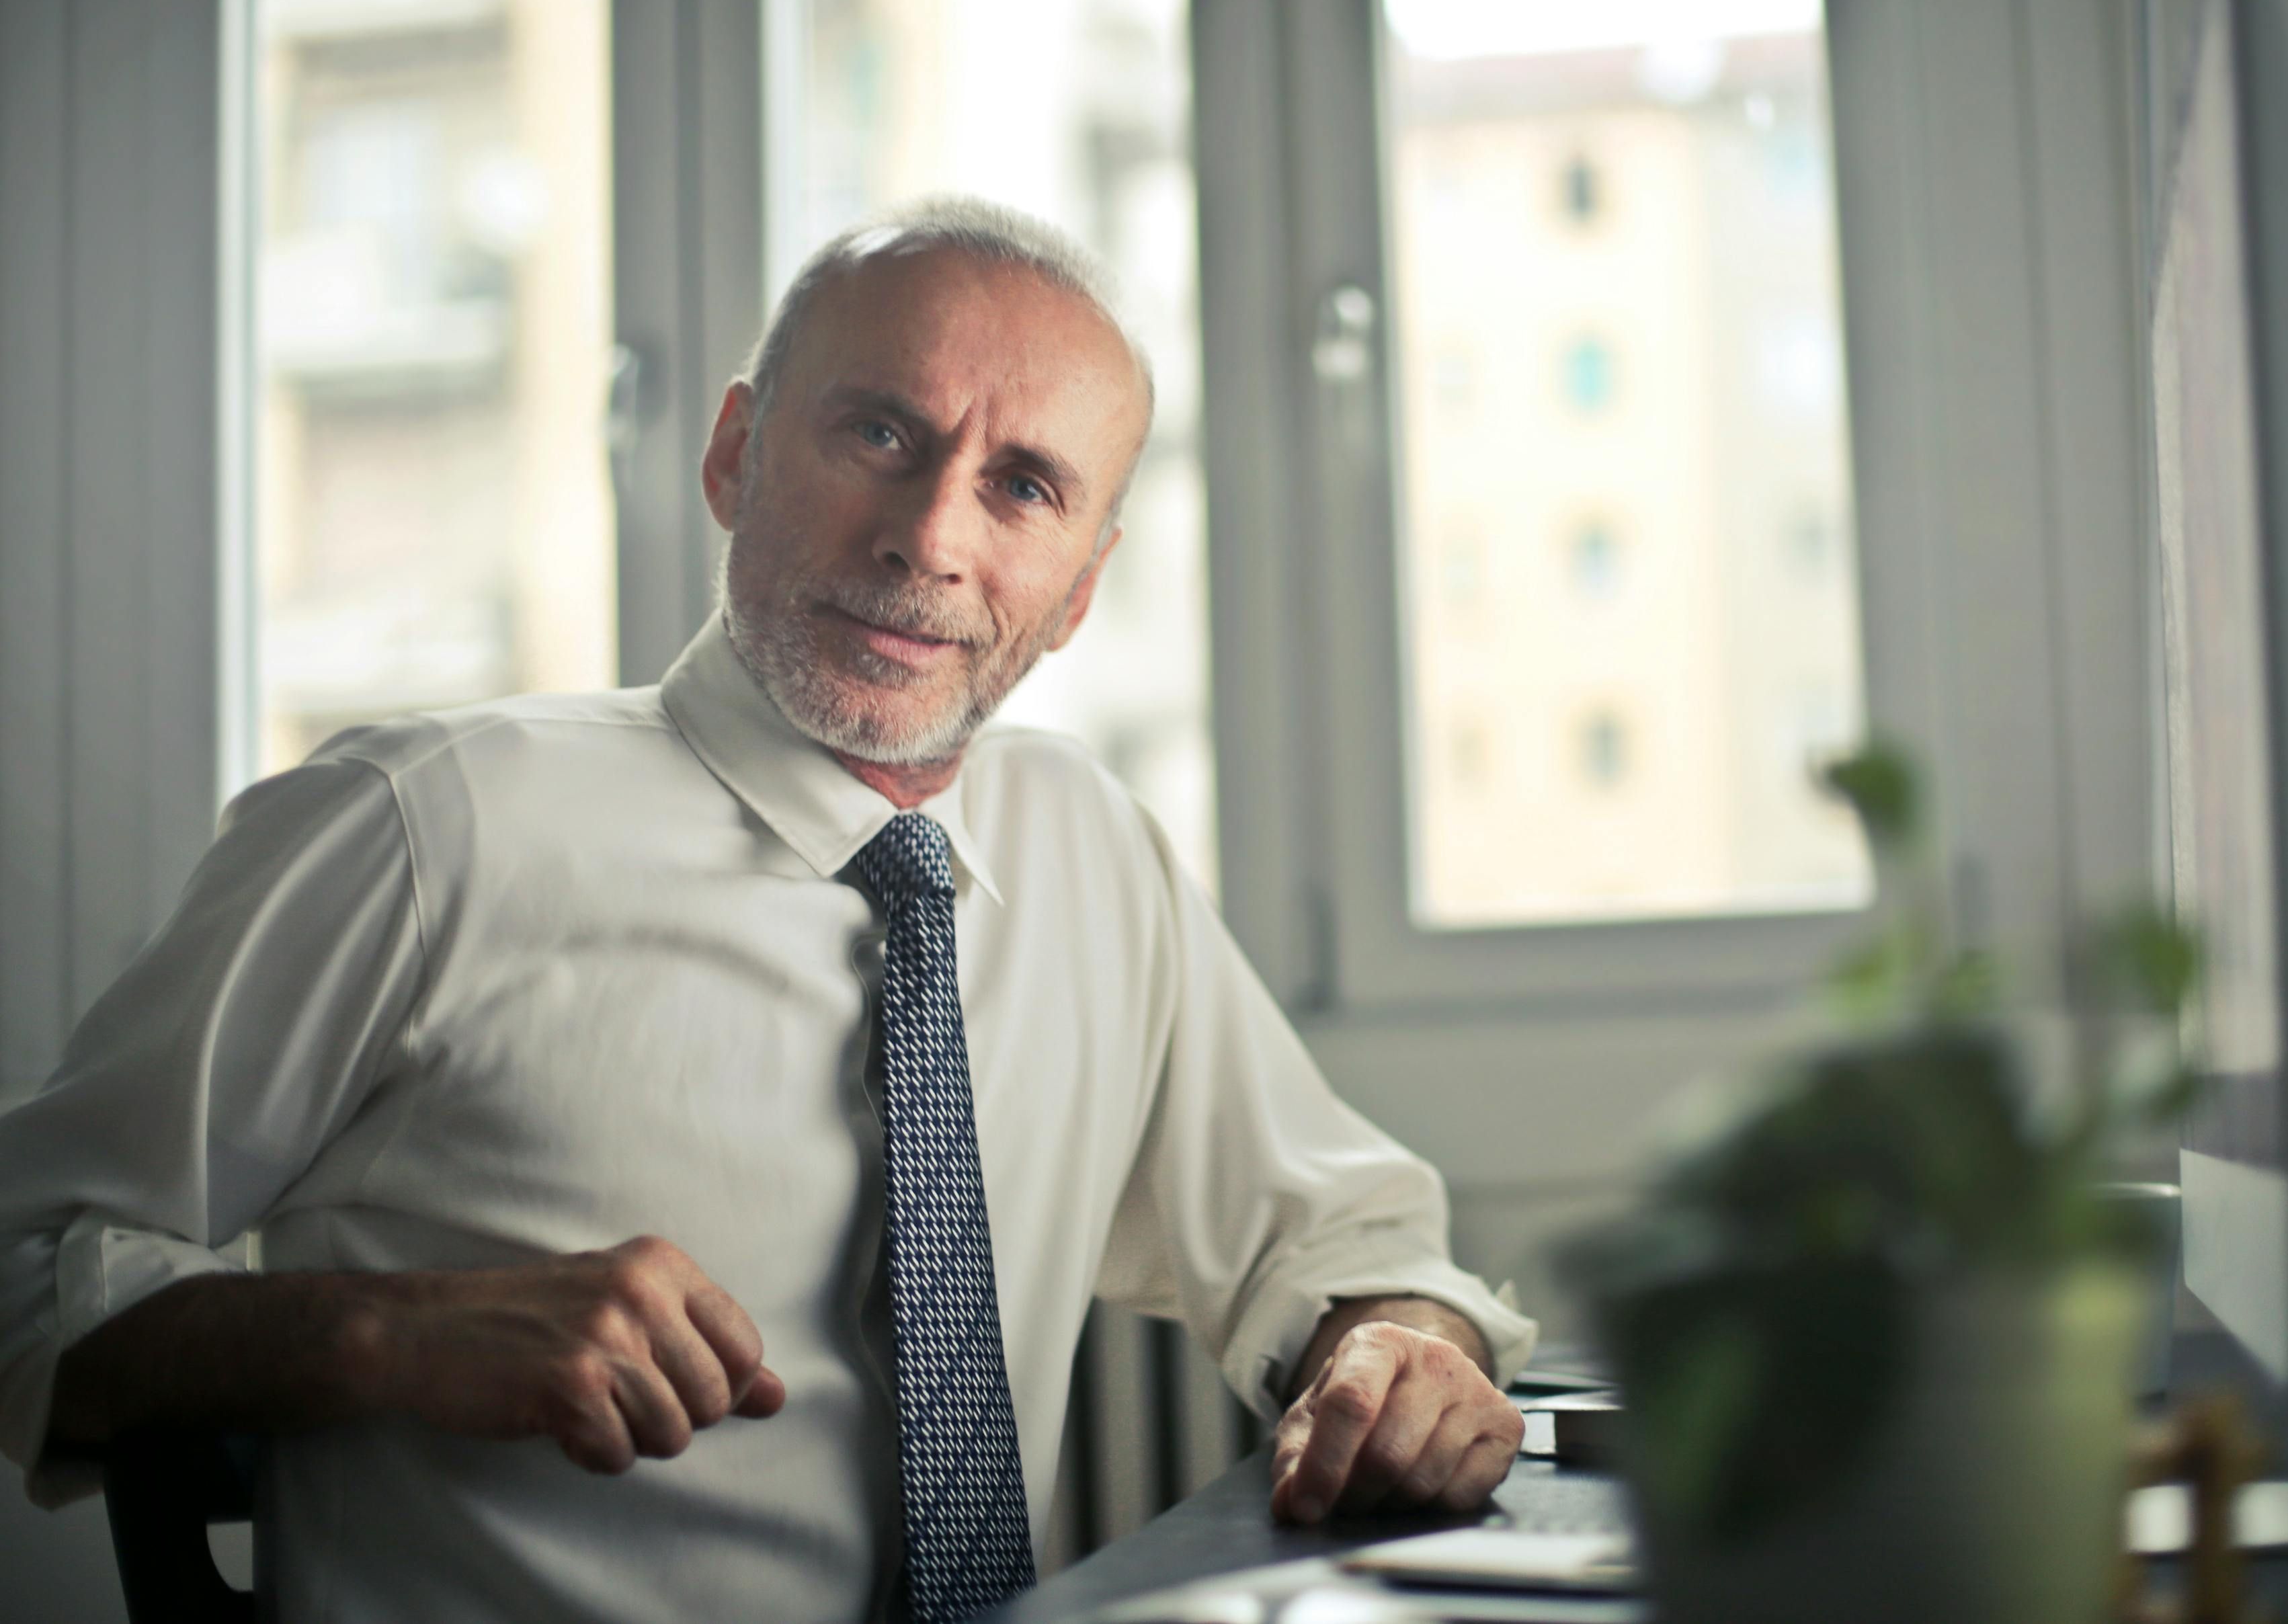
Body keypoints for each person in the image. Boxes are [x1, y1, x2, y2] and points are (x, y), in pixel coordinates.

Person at [0, 198, 1534, 1622]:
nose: (930, 536)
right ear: (736, 452)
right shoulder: (424, 828)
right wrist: (381, 1332)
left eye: (1023, 488)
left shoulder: (1092, 849)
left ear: (1076, 588)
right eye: (879, 430)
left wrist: (1400, 1345)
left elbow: (1337, 1235)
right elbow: (20, 1255)